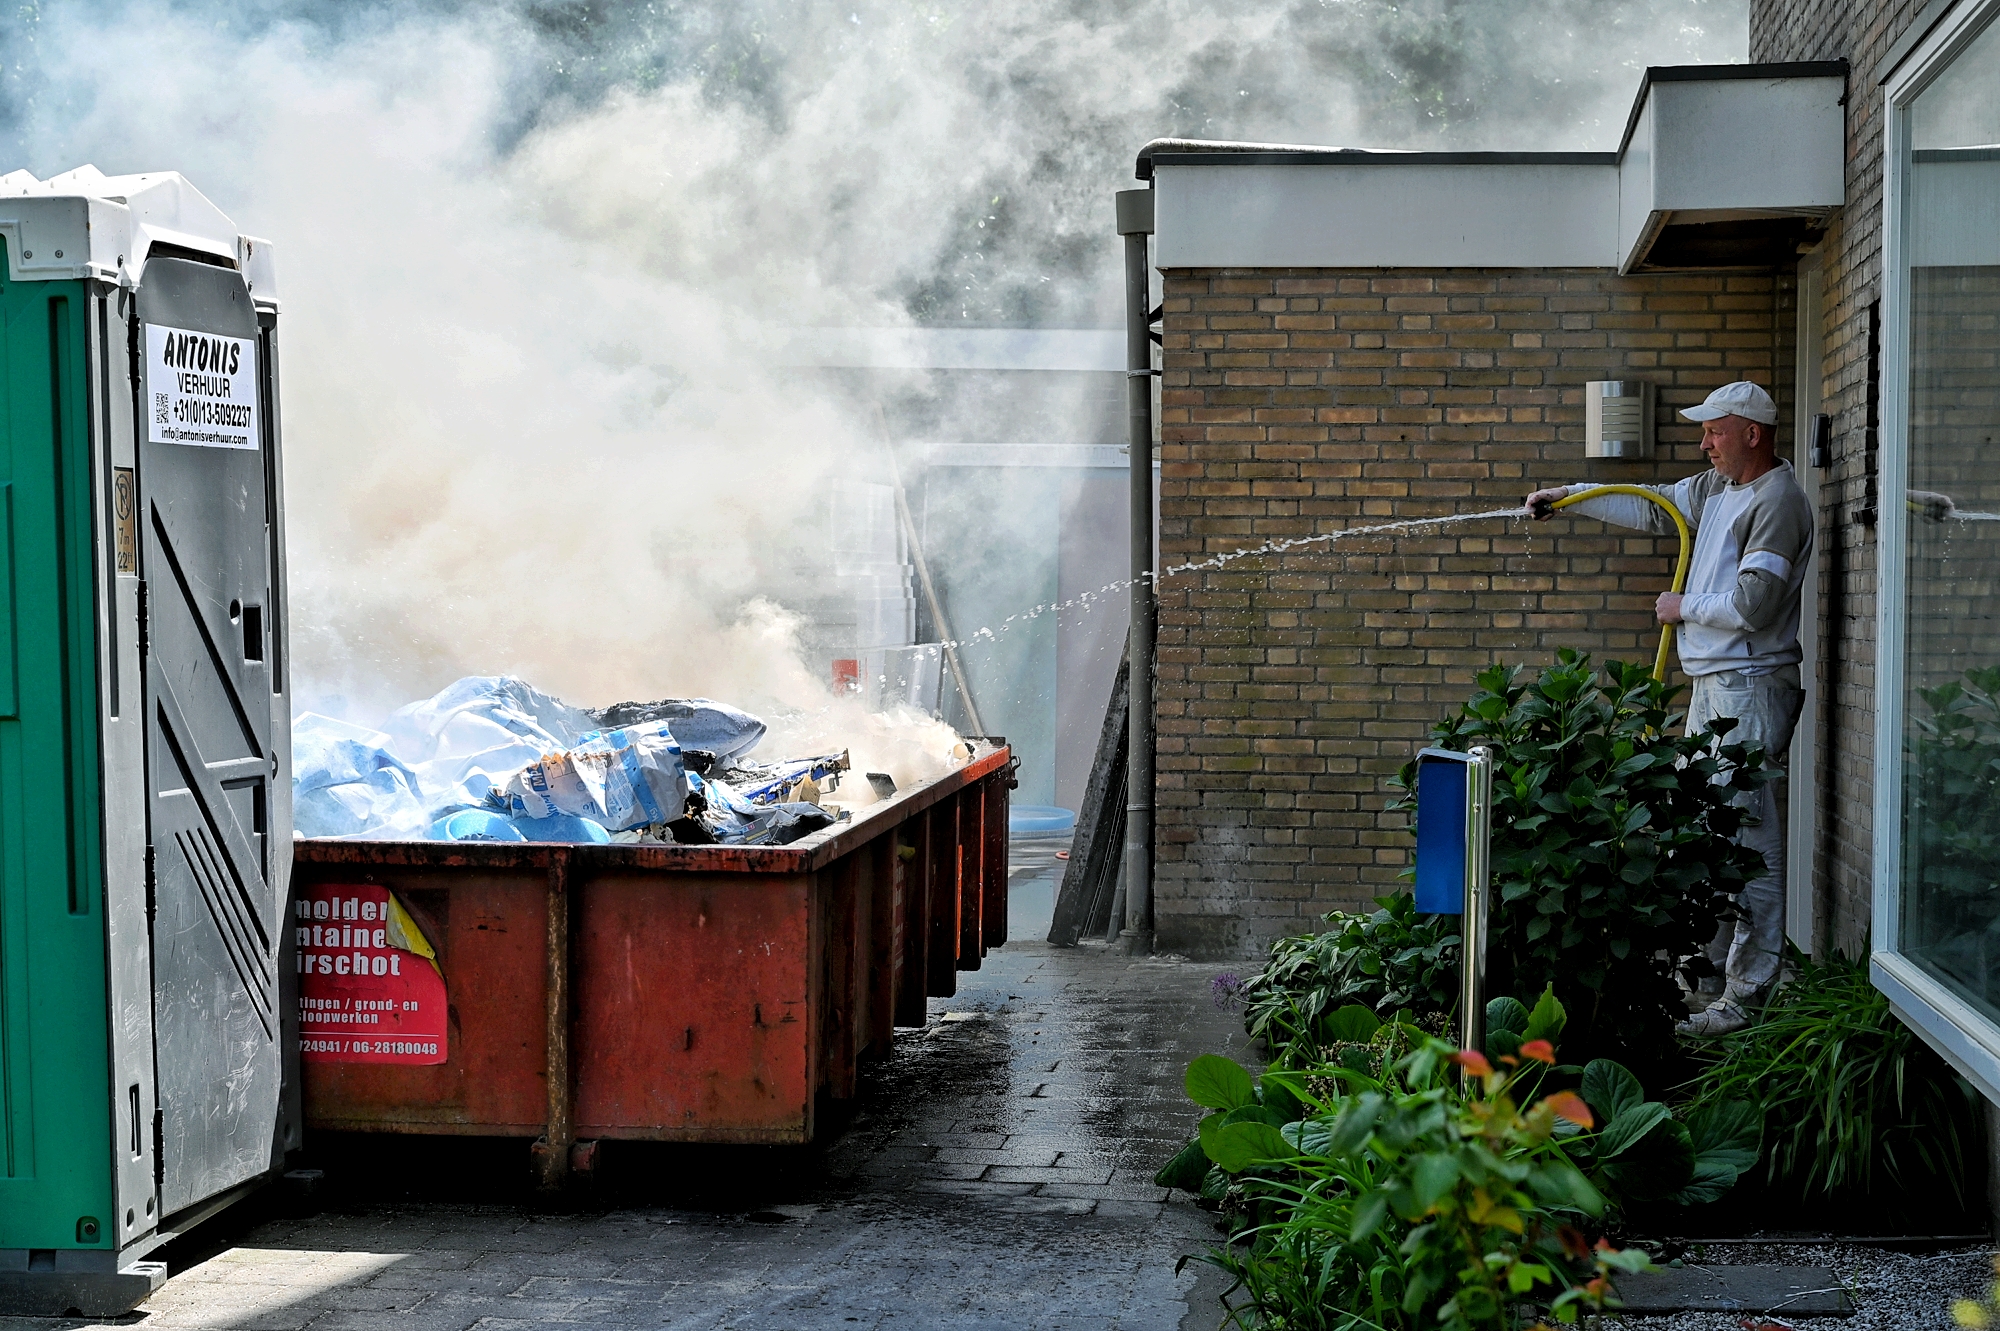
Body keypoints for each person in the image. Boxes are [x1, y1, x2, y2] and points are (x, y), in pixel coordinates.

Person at [1525, 380, 1812, 1037]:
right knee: (1715, 832)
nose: (1704, 440)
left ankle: (1747, 997)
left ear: (1753, 434)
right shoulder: (1718, 489)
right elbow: (1654, 506)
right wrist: (1569, 498)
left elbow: (1754, 604)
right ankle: (1722, 974)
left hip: (1749, 687)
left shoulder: (1779, 500)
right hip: (1718, 685)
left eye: (1715, 429)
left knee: (1748, 841)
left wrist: (1681, 606)